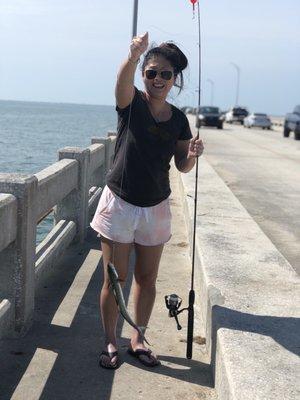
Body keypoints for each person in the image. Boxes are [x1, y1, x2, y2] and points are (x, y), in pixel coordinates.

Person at [90, 32, 204, 369]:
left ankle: (138, 337)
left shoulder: (180, 120)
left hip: (156, 206)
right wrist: (134, 55)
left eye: (165, 74)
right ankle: (111, 341)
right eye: (151, 72)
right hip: (120, 203)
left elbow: (182, 165)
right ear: (143, 75)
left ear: (174, 80)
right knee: (115, 277)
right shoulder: (132, 105)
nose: (157, 79)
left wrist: (193, 155)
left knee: (147, 279)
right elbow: (121, 81)